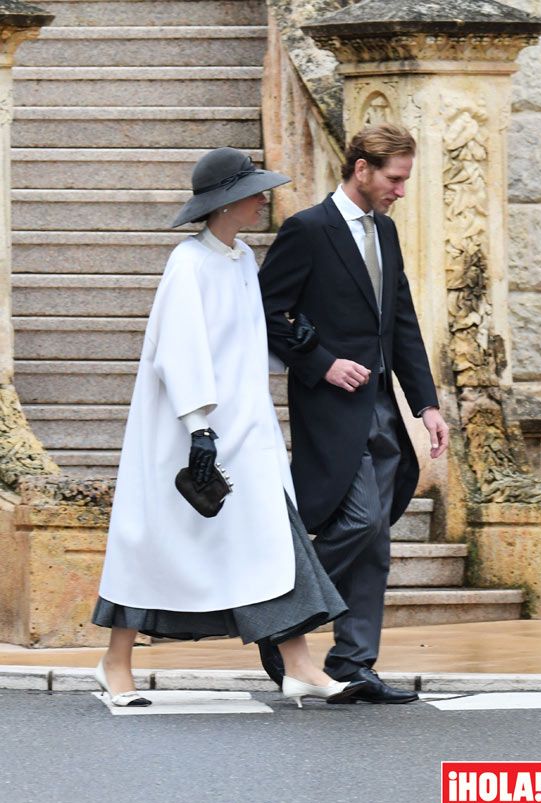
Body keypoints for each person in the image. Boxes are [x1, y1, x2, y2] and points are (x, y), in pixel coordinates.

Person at [91, 147, 363, 709]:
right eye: (255, 191)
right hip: (195, 432)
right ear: (227, 204)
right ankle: (115, 662)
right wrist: (199, 429)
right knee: (156, 547)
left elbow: (249, 341)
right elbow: (178, 350)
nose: (264, 198)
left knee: (275, 540)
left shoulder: (241, 260)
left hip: (249, 429)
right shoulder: (187, 264)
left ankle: (299, 664)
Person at [259, 124, 449, 704]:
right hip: (330, 409)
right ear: (361, 169)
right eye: (394, 179)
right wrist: (321, 362)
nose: (399, 190)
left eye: (404, 180)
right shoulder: (307, 230)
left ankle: (353, 663)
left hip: (384, 409)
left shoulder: (385, 233)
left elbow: (401, 322)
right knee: (363, 523)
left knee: (375, 542)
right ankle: (281, 616)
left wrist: (427, 404)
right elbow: (267, 309)